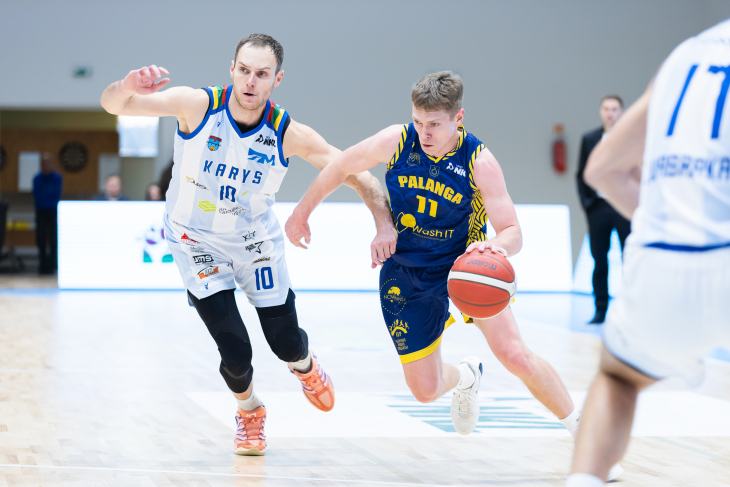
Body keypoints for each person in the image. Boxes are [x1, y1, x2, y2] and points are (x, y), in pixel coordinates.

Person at [285, 71, 621, 480]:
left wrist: (493, 247)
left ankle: (589, 442)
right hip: (407, 271)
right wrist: (302, 212)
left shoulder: (479, 161)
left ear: (458, 118)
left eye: (434, 124)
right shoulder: (397, 140)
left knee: (515, 355)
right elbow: (341, 165)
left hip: (464, 268)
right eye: (418, 121)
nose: (424, 133)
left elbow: (513, 231)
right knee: (425, 391)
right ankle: (466, 376)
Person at [100, 34, 394, 456]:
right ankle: (250, 410)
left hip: (255, 242)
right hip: (194, 240)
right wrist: (125, 86)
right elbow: (114, 105)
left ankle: (305, 365)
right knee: (236, 353)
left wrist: (383, 224)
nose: (250, 81)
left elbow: (358, 173)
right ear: (232, 69)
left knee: (286, 343)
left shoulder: (288, 132)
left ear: (277, 79)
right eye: (244, 70)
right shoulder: (197, 106)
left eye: (261, 74)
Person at [567, 19, 730, 486]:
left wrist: (673, 221)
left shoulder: (684, 57)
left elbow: (601, 171)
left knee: (618, 377)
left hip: (661, 260)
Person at [576, 95, 631, 324]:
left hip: (623, 206)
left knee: (630, 258)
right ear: (601, 111)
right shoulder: (590, 139)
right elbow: (581, 173)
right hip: (598, 207)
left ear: (621, 111)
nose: (610, 113)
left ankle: (629, 310)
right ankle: (600, 309)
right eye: (606, 109)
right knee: (599, 260)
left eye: (614, 109)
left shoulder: (630, 138)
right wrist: (587, 205)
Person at [32, 152, 62, 274]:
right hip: (41, 210)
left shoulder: (57, 178)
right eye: (44, 164)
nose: (46, 166)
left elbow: (56, 194)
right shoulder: (37, 178)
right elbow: (37, 195)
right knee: (41, 238)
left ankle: (52, 264)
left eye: (48, 164)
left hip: (53, 210)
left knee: (54, 238)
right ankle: (43, 264)